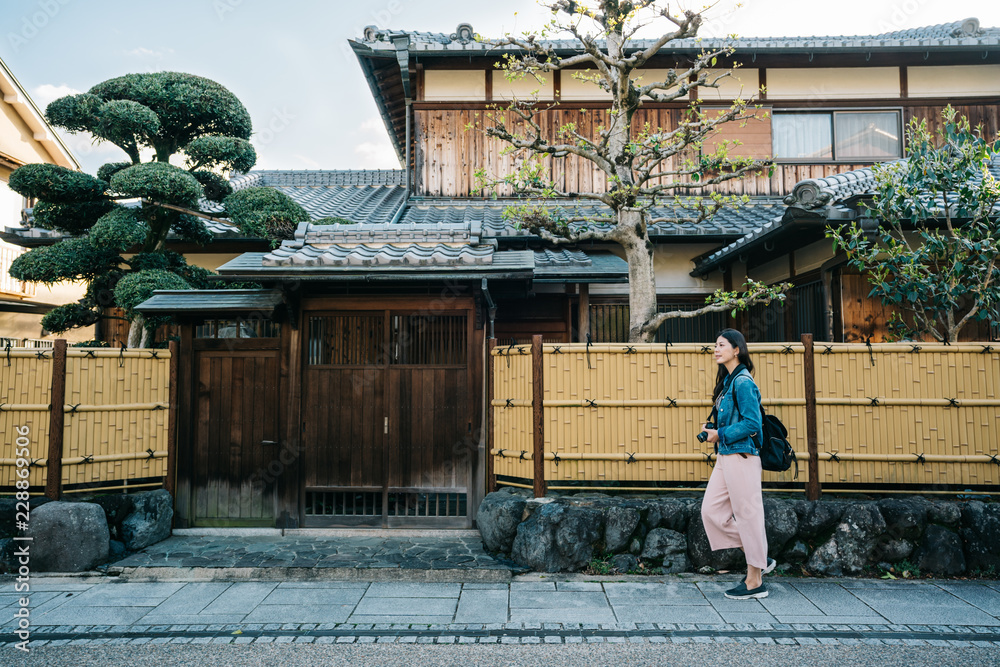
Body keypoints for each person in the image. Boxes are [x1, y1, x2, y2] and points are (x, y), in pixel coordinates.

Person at [699, 328, 775, 600]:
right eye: (715, 345)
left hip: (742, 456)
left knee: (748, 518)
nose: (716, 349)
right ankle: (758, 555)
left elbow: (753, 424)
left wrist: (722, 433)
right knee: (711, 512)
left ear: (737, 349)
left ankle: (755, 581)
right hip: (726, 455)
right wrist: (714, 428)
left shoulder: (743, 382)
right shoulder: (729, 382)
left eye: (721, 345)